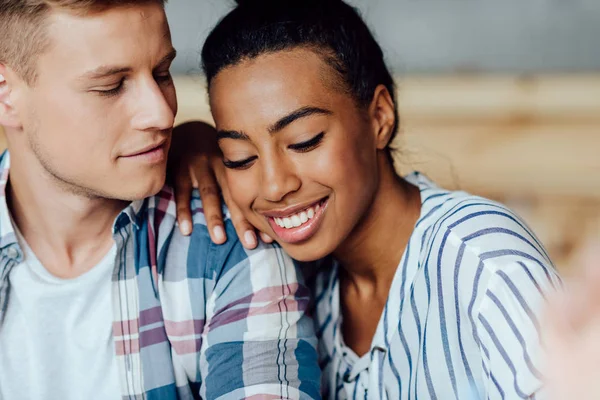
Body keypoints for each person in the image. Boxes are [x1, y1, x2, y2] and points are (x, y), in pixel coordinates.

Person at [177, 0, 563, 398]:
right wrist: (187, 144)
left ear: (379, 117)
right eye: (240, 158)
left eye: (304, 141)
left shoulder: (483, 262)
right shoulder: (295, 281)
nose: (274, 187)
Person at [0, 1, 319, 399]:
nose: (163, 114)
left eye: (162, 72)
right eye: (111, 86)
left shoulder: (229, 241)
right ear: (6, 95)